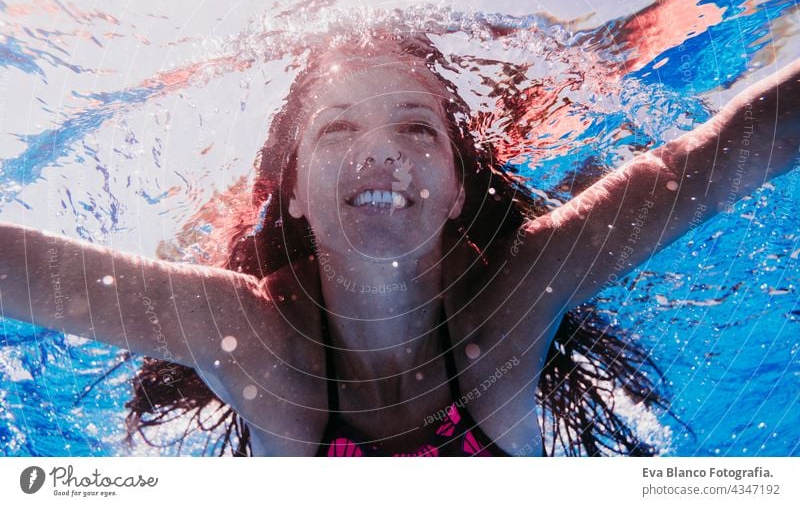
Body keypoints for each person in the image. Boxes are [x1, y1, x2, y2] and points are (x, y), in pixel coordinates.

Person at [0, 32, 797, 457]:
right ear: (297, 193)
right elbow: (30, 270)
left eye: (415, 127)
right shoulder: (247, 335)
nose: (378, 152)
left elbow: (712, 155)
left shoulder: (517, 294)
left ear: (456, 189)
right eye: (338, 127)